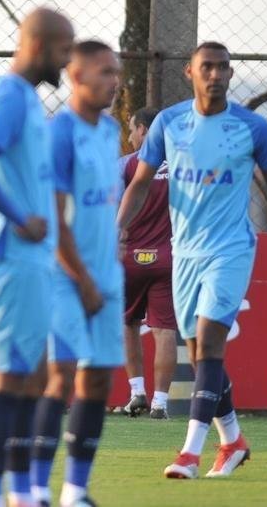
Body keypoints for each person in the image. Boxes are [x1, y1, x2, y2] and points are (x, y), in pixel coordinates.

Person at [118, 42, 267, 479]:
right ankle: (233, 440)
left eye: (224, 67)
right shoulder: (169, 123)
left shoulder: (252, 127)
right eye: (208, 67)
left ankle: (189, 452)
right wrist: (118, 226)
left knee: (209, 341)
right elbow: (141, 184)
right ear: (190, 72)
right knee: (201, 350)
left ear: (230, 73)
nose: (216, 74)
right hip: (183, 254)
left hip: (230, 250)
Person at [0, 8, 74, 507]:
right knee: (7, 379)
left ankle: (23, 492)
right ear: (41, 44)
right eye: (65, 50)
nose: (69, 62)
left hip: (26, 260)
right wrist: (20, 217)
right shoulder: (7, 94)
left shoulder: (22, 98)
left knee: (31, 379)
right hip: (6, 255)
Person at [26, 41, 124, 507]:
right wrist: (82, 278)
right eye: (105, 73)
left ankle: (75, 491)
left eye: (117, 73)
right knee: (60, 377)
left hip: (107, 277)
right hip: (66, 277)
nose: (115, 81)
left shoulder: (110, 130)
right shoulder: (59, 133)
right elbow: (54, 216)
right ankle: (36, 489)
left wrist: (102, 275)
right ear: (76, 77)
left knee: (98, 381)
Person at [119, 107, 178, 420]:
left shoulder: (128, 165)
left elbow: (113, 204)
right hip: (167, 256)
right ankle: (160, 403)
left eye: (131, 129)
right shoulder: (183, 166)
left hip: (129, 256)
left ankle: (137, 392)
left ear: (144, 130)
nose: (129, 136)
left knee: (128, 323)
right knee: (164, 329)